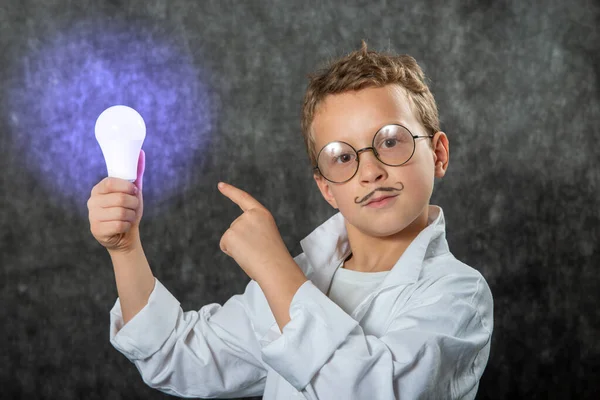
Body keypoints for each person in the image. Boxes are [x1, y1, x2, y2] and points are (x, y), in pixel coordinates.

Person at [88, 41, 493, 399]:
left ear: (438, 154)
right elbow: (177, 356)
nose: (369, 171)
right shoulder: (304, 277)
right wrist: (125, 248)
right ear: (326, 188)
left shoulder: (458, 294)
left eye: (390, 140)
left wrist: (273, 268)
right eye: (342, 156)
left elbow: (369, 391)